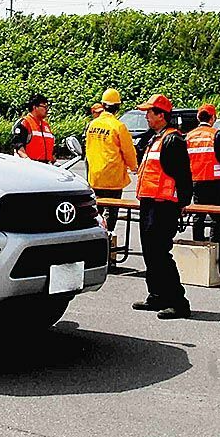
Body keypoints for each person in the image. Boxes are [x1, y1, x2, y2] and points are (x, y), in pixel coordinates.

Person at [131, 94, 193, 320]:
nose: (146, 116)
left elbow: (183, 175)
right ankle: (156, 295)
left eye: (149, 112)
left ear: (161, 115)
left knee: (160, 254)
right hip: (149, 203)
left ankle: (178, 302)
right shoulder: (154, 138)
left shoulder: (171, 140)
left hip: (164, 206)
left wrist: (183, 203)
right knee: (150, 253)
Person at [84, 88, 138, 233]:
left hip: (95, 176)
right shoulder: (118, 126)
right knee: (112, 211)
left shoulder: (92, 125)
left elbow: (88, 149)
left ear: (102, 104)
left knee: (96, 212)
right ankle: (109, 236)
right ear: (118, 107)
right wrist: (134, 167)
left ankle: (96, 235)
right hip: (113, 178)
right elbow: (128, 151)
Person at [184, 104, 220, 241]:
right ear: (213, 118)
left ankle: (198, 245)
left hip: (196, 182)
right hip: (215, 183)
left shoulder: (189, 137)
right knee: (217, 216)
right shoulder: (217, 135)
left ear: (198, 117)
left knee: (198, 215)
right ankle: (215, 246)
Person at [11, 93, 54, 162]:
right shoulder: (24, 123)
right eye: (44, 107)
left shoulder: (45, 125)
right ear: (35, 107)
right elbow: (18, 146)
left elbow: (48, 148)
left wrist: (54, 162)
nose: (47, 109)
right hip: (30, 166)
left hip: (45, 166)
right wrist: (27, 160)